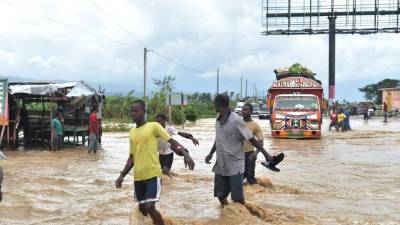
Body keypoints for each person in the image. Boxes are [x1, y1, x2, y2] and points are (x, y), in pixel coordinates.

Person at [115, 100, 195, 225]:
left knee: (150, 207)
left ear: (144, 112)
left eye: (136, 111)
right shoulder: (132, 132)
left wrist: (185, 154)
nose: (133, 113)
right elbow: (131, 158)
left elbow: (172, 142)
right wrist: (122, 175)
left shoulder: (154, 126)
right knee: (142, 209)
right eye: (131, 111)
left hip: (152, 175)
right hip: (138, 177)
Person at [205, 94, 284, 206]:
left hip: (235, 165)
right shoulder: (218, 121)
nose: (214, 106)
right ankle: (228, 215)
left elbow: (251, 138)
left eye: (215, 103)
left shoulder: (236, 120)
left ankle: (246, 217)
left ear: (219, 104)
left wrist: (266, 154)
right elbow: (218, 138)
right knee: (220, 195)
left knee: (237, 198)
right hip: (221, 164)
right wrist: (211, 153)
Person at [241, 103, 263, 185]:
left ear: (251, 112)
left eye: (246, 110)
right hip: (237, 153)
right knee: (238, 177)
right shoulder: (237, 122)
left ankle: (254, 193)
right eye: (243, 110)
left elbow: (260, 141)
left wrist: (256, 153)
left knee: (250, 178)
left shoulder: (255, 125)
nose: (243, 112)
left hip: (249, 154)